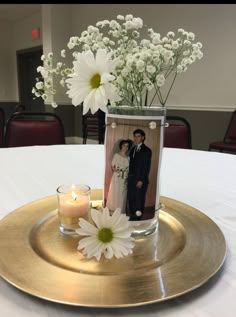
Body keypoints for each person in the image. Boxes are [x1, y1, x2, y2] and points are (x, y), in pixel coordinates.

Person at [127, 128, 152, 221]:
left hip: (140, 180)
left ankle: (138, 217)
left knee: (139, 199)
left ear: (143, 137)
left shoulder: (147, 150)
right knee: (132, 198)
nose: (136, 138)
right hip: (131, 179)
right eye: (135, 136)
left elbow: (146, 167)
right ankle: (133, 215)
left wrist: (141, 180)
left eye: (138, 136)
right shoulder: (133, 148)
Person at [106, 139, 132, 214]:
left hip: (124, 179)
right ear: (121, 146)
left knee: (122, 195)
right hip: (117, 177)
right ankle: (112, 210)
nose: (125, 147)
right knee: (115, 193)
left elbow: (129, 168)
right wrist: (120, 171)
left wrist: (126, 173)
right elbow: (113, 166)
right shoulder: (116, 155)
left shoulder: (128, 158)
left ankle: (120, 211)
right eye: (124, 145)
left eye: (127, 146)